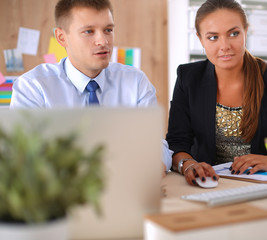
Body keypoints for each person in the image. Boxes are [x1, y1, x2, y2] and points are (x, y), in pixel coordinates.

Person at [10, 0, 172, 172]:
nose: (102, 41)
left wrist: (154, 165)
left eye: (108, 30)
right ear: (61, 37)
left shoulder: (135, 82)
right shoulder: (33, 87)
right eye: (88, 31)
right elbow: (25, 158)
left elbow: (155, 144)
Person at [166, 0, 267, 186]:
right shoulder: (188, 77)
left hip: (261, 187)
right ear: (200, 39)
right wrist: (189, 165)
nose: (224, 46)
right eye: (213, 37)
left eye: (233, 34)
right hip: (208, 185)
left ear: (246, 32)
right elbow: (177, 142)